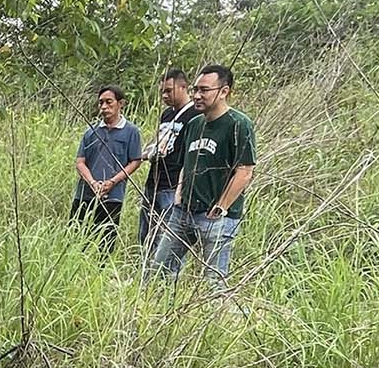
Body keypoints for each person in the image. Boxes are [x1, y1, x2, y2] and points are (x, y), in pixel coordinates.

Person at [150, 64, 256, 282]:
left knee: (213, 281)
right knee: (158, 272)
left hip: (217, 218)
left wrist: (221, 207)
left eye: (204, 90)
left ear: (224, 91)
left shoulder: (238, 124)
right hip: (183, 211)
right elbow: (186, 164)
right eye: (195, 89)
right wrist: (179, 193)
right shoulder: (194, 124)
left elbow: (245, 171)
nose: (197, 95)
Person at [70, 86, 143, 247]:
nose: (104, 107)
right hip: (85, 195)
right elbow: (80, 161)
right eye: (101, 103)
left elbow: (135, 161)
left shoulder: (131, 132)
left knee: (105, 243)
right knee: (76, 239)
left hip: (113, 196)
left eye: (109, 102)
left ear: (120, 103)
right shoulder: (91, 131)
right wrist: (92, 183)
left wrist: (112, 182)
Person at [138, 67, 196, 250]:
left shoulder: (194, 115)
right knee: (146, 236)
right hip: (154, 181)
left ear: (183, 87)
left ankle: (164, 276)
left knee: (167, 239)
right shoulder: (167, 114)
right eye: (162, 91)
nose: (164, 95)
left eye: (168, 91)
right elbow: (158, 141)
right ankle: (146, 274)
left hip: (172, 185)